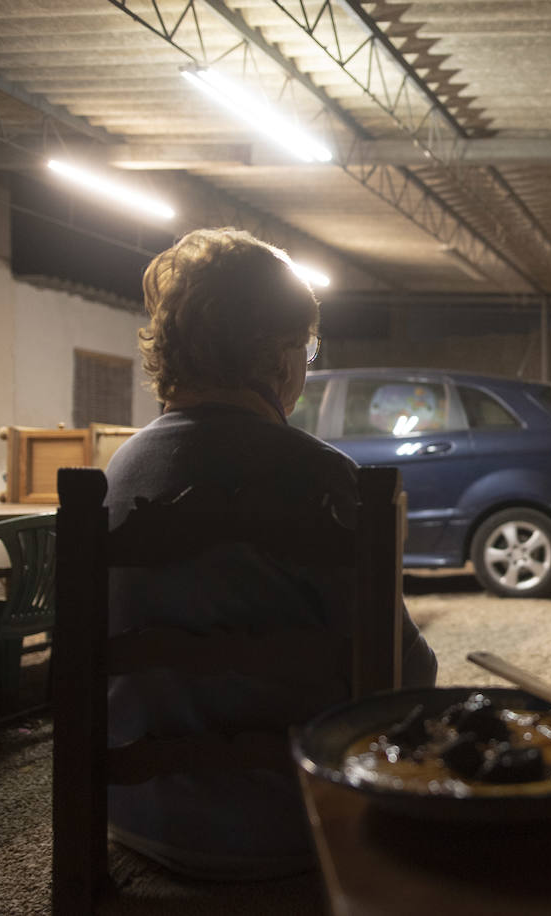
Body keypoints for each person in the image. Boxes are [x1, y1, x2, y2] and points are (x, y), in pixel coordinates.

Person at [103, 227, 438, 880]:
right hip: (300, 828)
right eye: (306, 346)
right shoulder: (322, 478)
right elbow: (403, 676)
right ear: (280, 358)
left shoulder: (117, 474)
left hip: (139, 817)